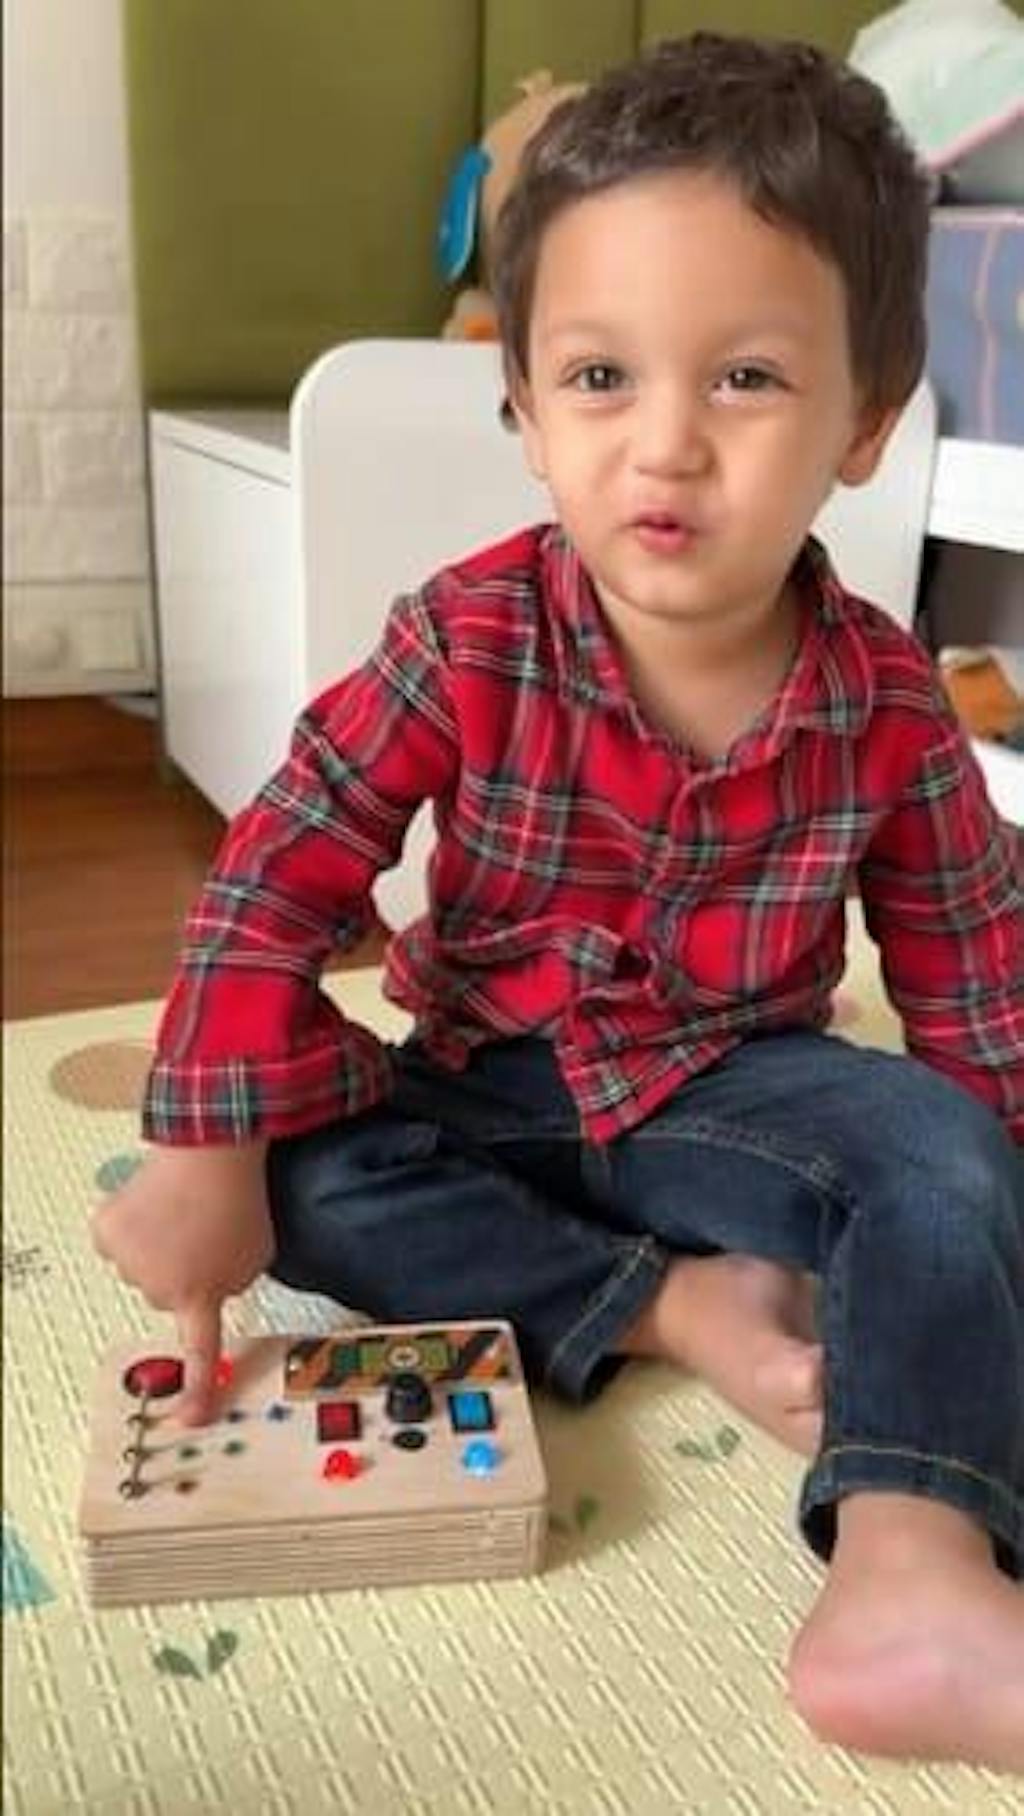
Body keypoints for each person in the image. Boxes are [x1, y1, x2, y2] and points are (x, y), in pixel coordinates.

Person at [93, 33, 1024, 1771]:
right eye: (600, 377)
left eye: (746, 378)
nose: (665, 447)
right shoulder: (466, 636)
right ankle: (672, 1306)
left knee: (942, 1159)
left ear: (864, 423)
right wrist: (206, 1147)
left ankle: (912, 1574)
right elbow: (279, 870)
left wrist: (979, 1223)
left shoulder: (890, 701)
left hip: (735, 1092)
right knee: (299, 1182)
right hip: (487, 1080)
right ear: (523, 410)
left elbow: (978, 983)